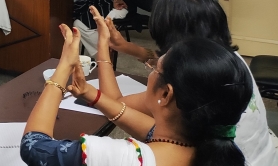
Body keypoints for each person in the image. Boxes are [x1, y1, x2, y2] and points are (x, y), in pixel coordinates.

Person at [21, 23, 253, 166]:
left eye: (154, 68)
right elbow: (154, 131)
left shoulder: (122, 158)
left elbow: (33, 147)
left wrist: (64, 67)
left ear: (165, 94)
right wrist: (92, 94)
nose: (151, 71)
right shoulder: (208, 144)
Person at [97, 0, 278, 165]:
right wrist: (125, 46)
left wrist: (103, 47)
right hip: (265, 155)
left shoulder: (191, 81)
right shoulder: (227, 60)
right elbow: (165, 60)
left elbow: (113, 102)